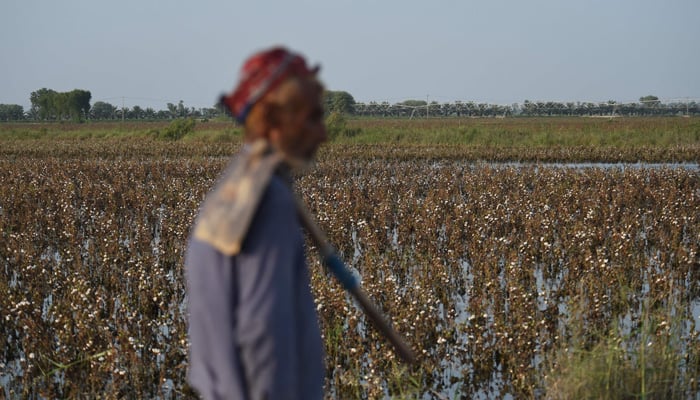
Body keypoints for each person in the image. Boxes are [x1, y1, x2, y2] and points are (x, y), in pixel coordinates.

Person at [184, 46, 328, 400]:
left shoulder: (237, 186)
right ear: (274, 121)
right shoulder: (270, 200)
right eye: (312, 118)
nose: (322, 133)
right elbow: (263, 331)